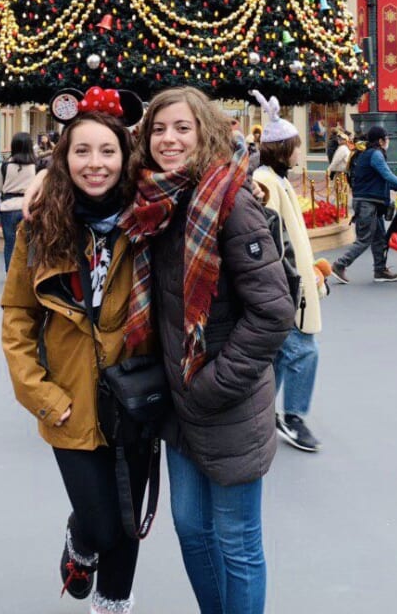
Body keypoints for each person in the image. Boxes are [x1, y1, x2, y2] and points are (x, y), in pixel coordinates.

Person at [121, 87, 294, 614]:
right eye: (159, 129)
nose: (169, 139)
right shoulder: (153, 201)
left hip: (227, 401)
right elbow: (85, 186)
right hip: (180, 403)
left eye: (182, 128)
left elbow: (273, 312)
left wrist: (212, 385)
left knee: (237, 540)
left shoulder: (232, 201)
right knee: (191, 530)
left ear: (205, 133)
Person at [1, 86, 151, 614]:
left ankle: (111, 606)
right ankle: (80, 541)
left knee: (128, 526)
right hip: (68, 401)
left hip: (137, 400)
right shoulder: (41, 227)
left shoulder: (152, 219)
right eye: (81, 151)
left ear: (126, 155)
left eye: (107, 151)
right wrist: (41, 394)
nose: (96, 163)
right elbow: (18, 315)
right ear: (63, 158)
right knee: (101, 522)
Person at [251, 91, 326, 454]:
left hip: (293, 281)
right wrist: (294, 279)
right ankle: (293, 416)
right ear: (282, 150)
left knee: (282, 353)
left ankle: (265, 416)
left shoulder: (275, 179)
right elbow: (273, 239)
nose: (299, 153)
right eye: (295, 147)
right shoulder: (266, 181)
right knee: (304, 350)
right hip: (286, 286)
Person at [331, 126, 397, 284]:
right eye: (386, 138)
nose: (388, 141)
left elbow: (380, 178)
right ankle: (340, 265)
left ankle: (380, 270)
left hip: (372, 202)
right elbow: (386, 174)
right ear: (380, 141)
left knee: (379, 238)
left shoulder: (369, 153)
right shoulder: (375, 154)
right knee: (365, 239)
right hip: (367, 203)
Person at [0, 131, 40, 271]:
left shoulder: (5, 166)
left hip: (8, 207)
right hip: (30, 206)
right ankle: (29, 274)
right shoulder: (35, 166)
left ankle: (10, 276)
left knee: (10, 244)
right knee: (31, 243)